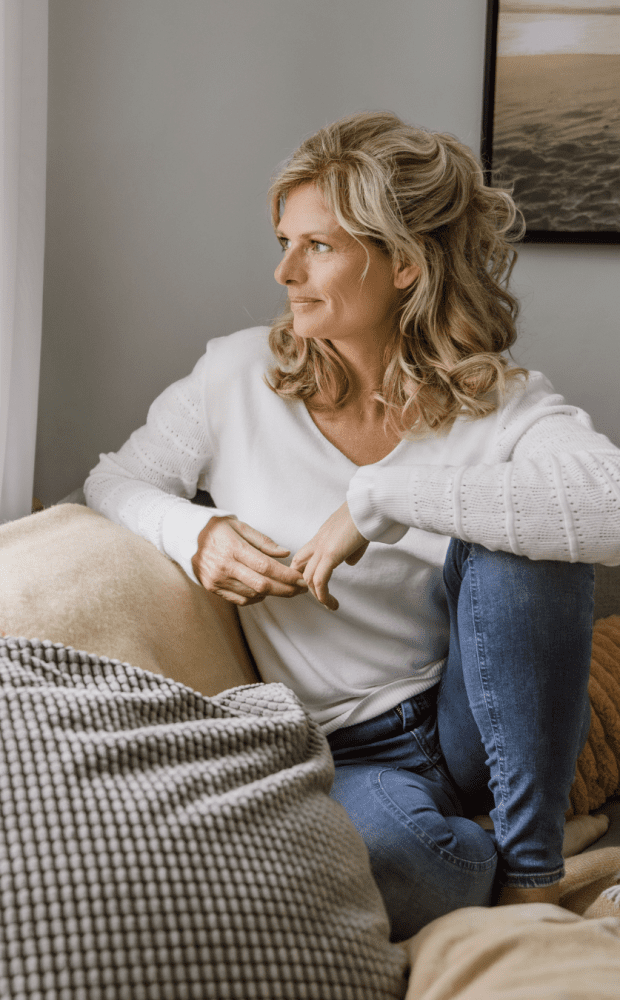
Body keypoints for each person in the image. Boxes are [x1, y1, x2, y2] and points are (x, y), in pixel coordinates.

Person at [85, 111, 620, 940]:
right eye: (284, 242)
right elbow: (113, 482)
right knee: (407, 864)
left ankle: (531, 872)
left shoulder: (501, 402)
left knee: (531, 547)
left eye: (318, 247)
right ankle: (504, 858)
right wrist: (198, 535)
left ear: (404, 264)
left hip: (477, 716)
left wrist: (383, 499)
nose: (284, 271)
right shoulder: (236, 377)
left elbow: (609, 507)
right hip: (353, 750)